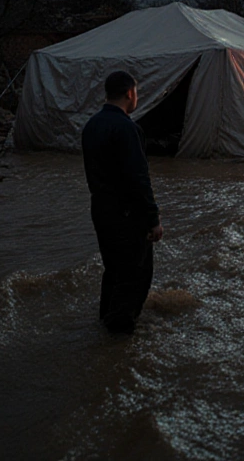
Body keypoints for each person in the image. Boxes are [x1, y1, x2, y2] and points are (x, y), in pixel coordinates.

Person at [81, 70, 163, 334]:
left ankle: (105, 322)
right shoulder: (128, 129)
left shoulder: (91, 125)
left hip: (101, 210)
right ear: (130, 93)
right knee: (135, 276)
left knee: (113, 270)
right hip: (127, 215)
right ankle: (119, 343)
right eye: (136, 92)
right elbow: (138, 178)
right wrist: (153, 219)